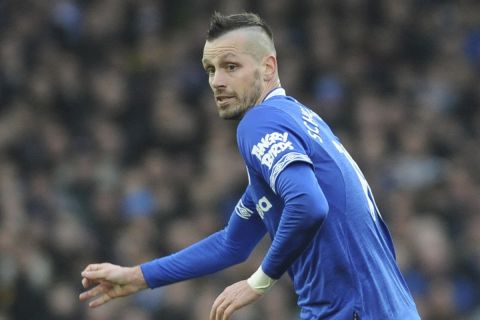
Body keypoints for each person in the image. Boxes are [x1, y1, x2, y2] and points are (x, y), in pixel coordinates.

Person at [79, 12, 421, 320]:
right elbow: (232, 243)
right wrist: (138, 277)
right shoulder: (300, 120)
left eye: (231, 67)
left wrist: (258, 282)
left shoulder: (260, 122)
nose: (217, 82)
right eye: (210, 70)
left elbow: (308, 204)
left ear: (268, 68)